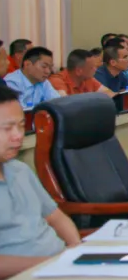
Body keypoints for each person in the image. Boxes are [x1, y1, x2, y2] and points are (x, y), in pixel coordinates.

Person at [0, 86, 81, 279]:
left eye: (21, 125)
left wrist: (77, 249)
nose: (18, 135)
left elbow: (56, 217)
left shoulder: (20, 170)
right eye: (7, 128)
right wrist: (54, 262)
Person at [48, 50, 114, 97]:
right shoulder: (57, 81)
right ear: (78, 71)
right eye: (91, 67)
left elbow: (109, 94)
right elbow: (64, 104)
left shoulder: (88, 79)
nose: (95, 69)